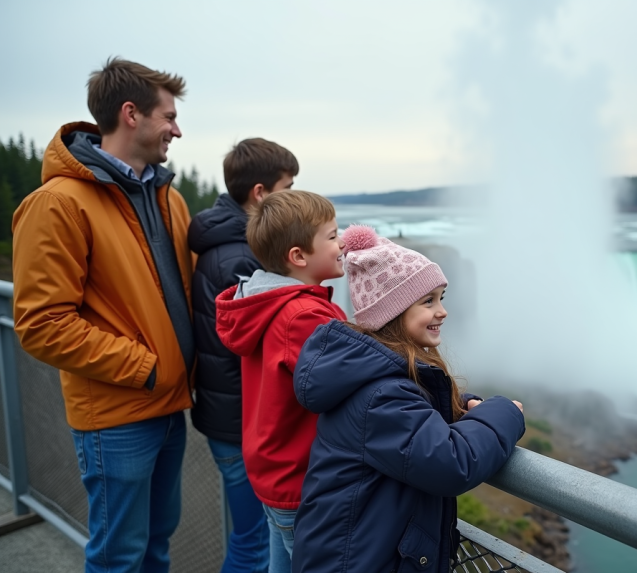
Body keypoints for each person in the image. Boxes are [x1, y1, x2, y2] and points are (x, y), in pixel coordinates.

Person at [11, 57, 194, 572]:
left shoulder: (168, 199)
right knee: (119, 557)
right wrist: (146, 368)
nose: (176, 130)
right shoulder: (58, 204)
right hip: (117, 417)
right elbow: (42, 324)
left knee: (156, 547)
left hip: (168, 408)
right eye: (169, 116)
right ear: (131, 114)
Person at [290, 225, 526, 573]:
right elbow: (449, 462)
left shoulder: (376, 376)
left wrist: (466, 409)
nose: (442, 311)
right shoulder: (381, 395)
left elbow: (419, 416)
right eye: (427, 301)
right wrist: (504, 414)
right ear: (392, 314)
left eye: (442, 297)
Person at [214, 191, 347, 572]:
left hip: (275, 473)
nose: (342, 244)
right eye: (333, 236)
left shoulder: (265, 300)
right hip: (299, 479)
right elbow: (354, 375)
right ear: (298, 256)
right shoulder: (302, 315)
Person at [188, 138, 299, 572]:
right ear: (260, 193)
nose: (292, 194)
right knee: (253, 544)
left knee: (257, 539)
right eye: (288, 186)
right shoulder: (242, 257)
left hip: (229, 420)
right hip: (242, 427)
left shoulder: (226, 244)